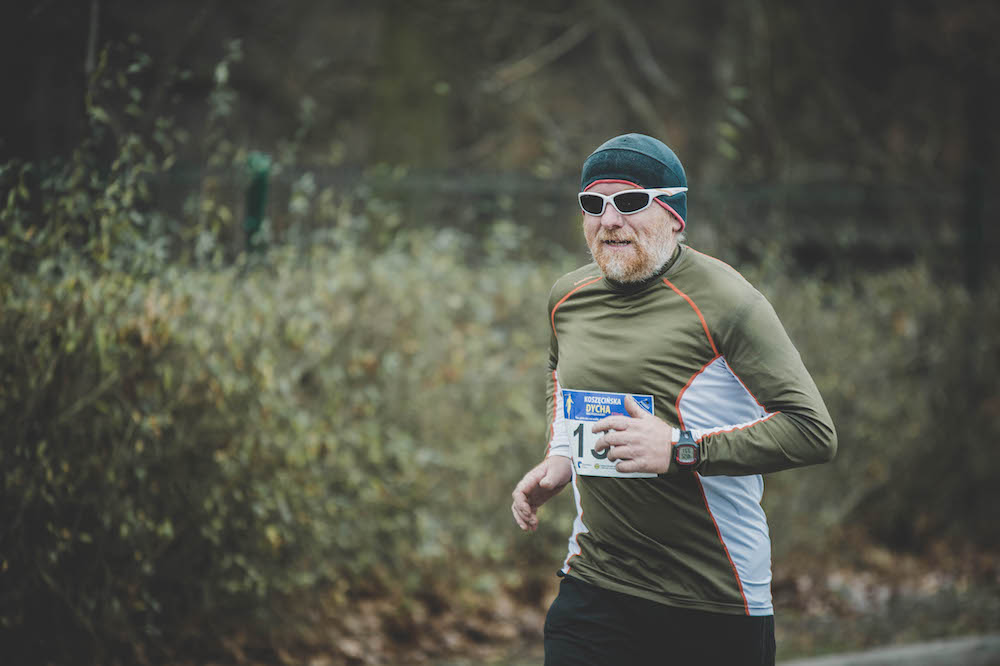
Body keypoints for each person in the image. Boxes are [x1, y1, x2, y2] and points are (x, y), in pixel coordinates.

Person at [510, 133, 837, 665]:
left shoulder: (729, 302)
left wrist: (681, 449)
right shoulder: (567, 299)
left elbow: (813, 431)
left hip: (712, 598)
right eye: (593, 204)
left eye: (629, 202)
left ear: (674, 214)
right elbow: (559, 373)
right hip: (596, 583)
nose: (609, 220)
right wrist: (562, 454)